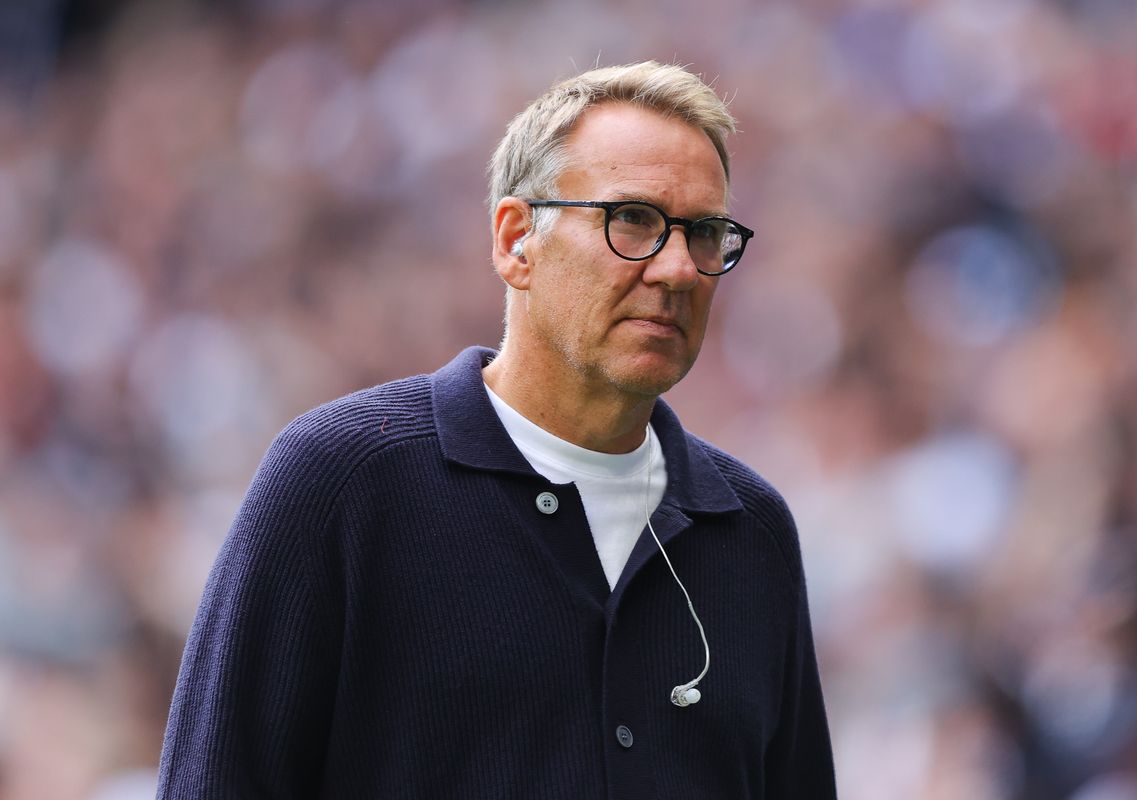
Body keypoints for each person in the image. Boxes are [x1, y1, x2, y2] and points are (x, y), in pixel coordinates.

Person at [156, 60, 836, 798]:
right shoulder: (343, 480)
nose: (678, 268)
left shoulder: (749, 531)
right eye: (632, 219)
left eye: (705, 233)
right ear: (517, 241)